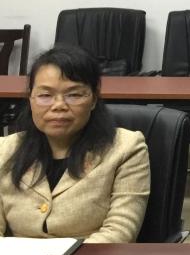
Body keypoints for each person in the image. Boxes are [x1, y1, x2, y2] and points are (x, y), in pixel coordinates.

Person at [0, 45, 150, 242]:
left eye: (74, 95)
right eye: (45, 95)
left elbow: (119, 232)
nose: (59, 106)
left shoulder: (126, 148)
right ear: (31, 99)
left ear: (94, 99)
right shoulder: (5, 149)